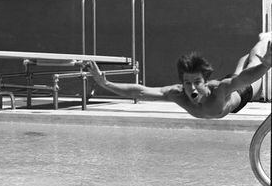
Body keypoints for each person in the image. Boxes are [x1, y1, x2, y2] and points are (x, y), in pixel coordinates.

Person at [88, 32, 272, 119]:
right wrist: (106, 83)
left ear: (206, 82)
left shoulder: (220, 90)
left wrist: (265, 66)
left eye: (197, 82)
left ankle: (264, 39)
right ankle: (258, 50)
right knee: (241, 65)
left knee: (253, 63)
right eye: (187, 83)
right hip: (232, 84)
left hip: (241, 93)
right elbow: (140, 91)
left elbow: (244, 80)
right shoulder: (177, 94)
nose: (191, 87)